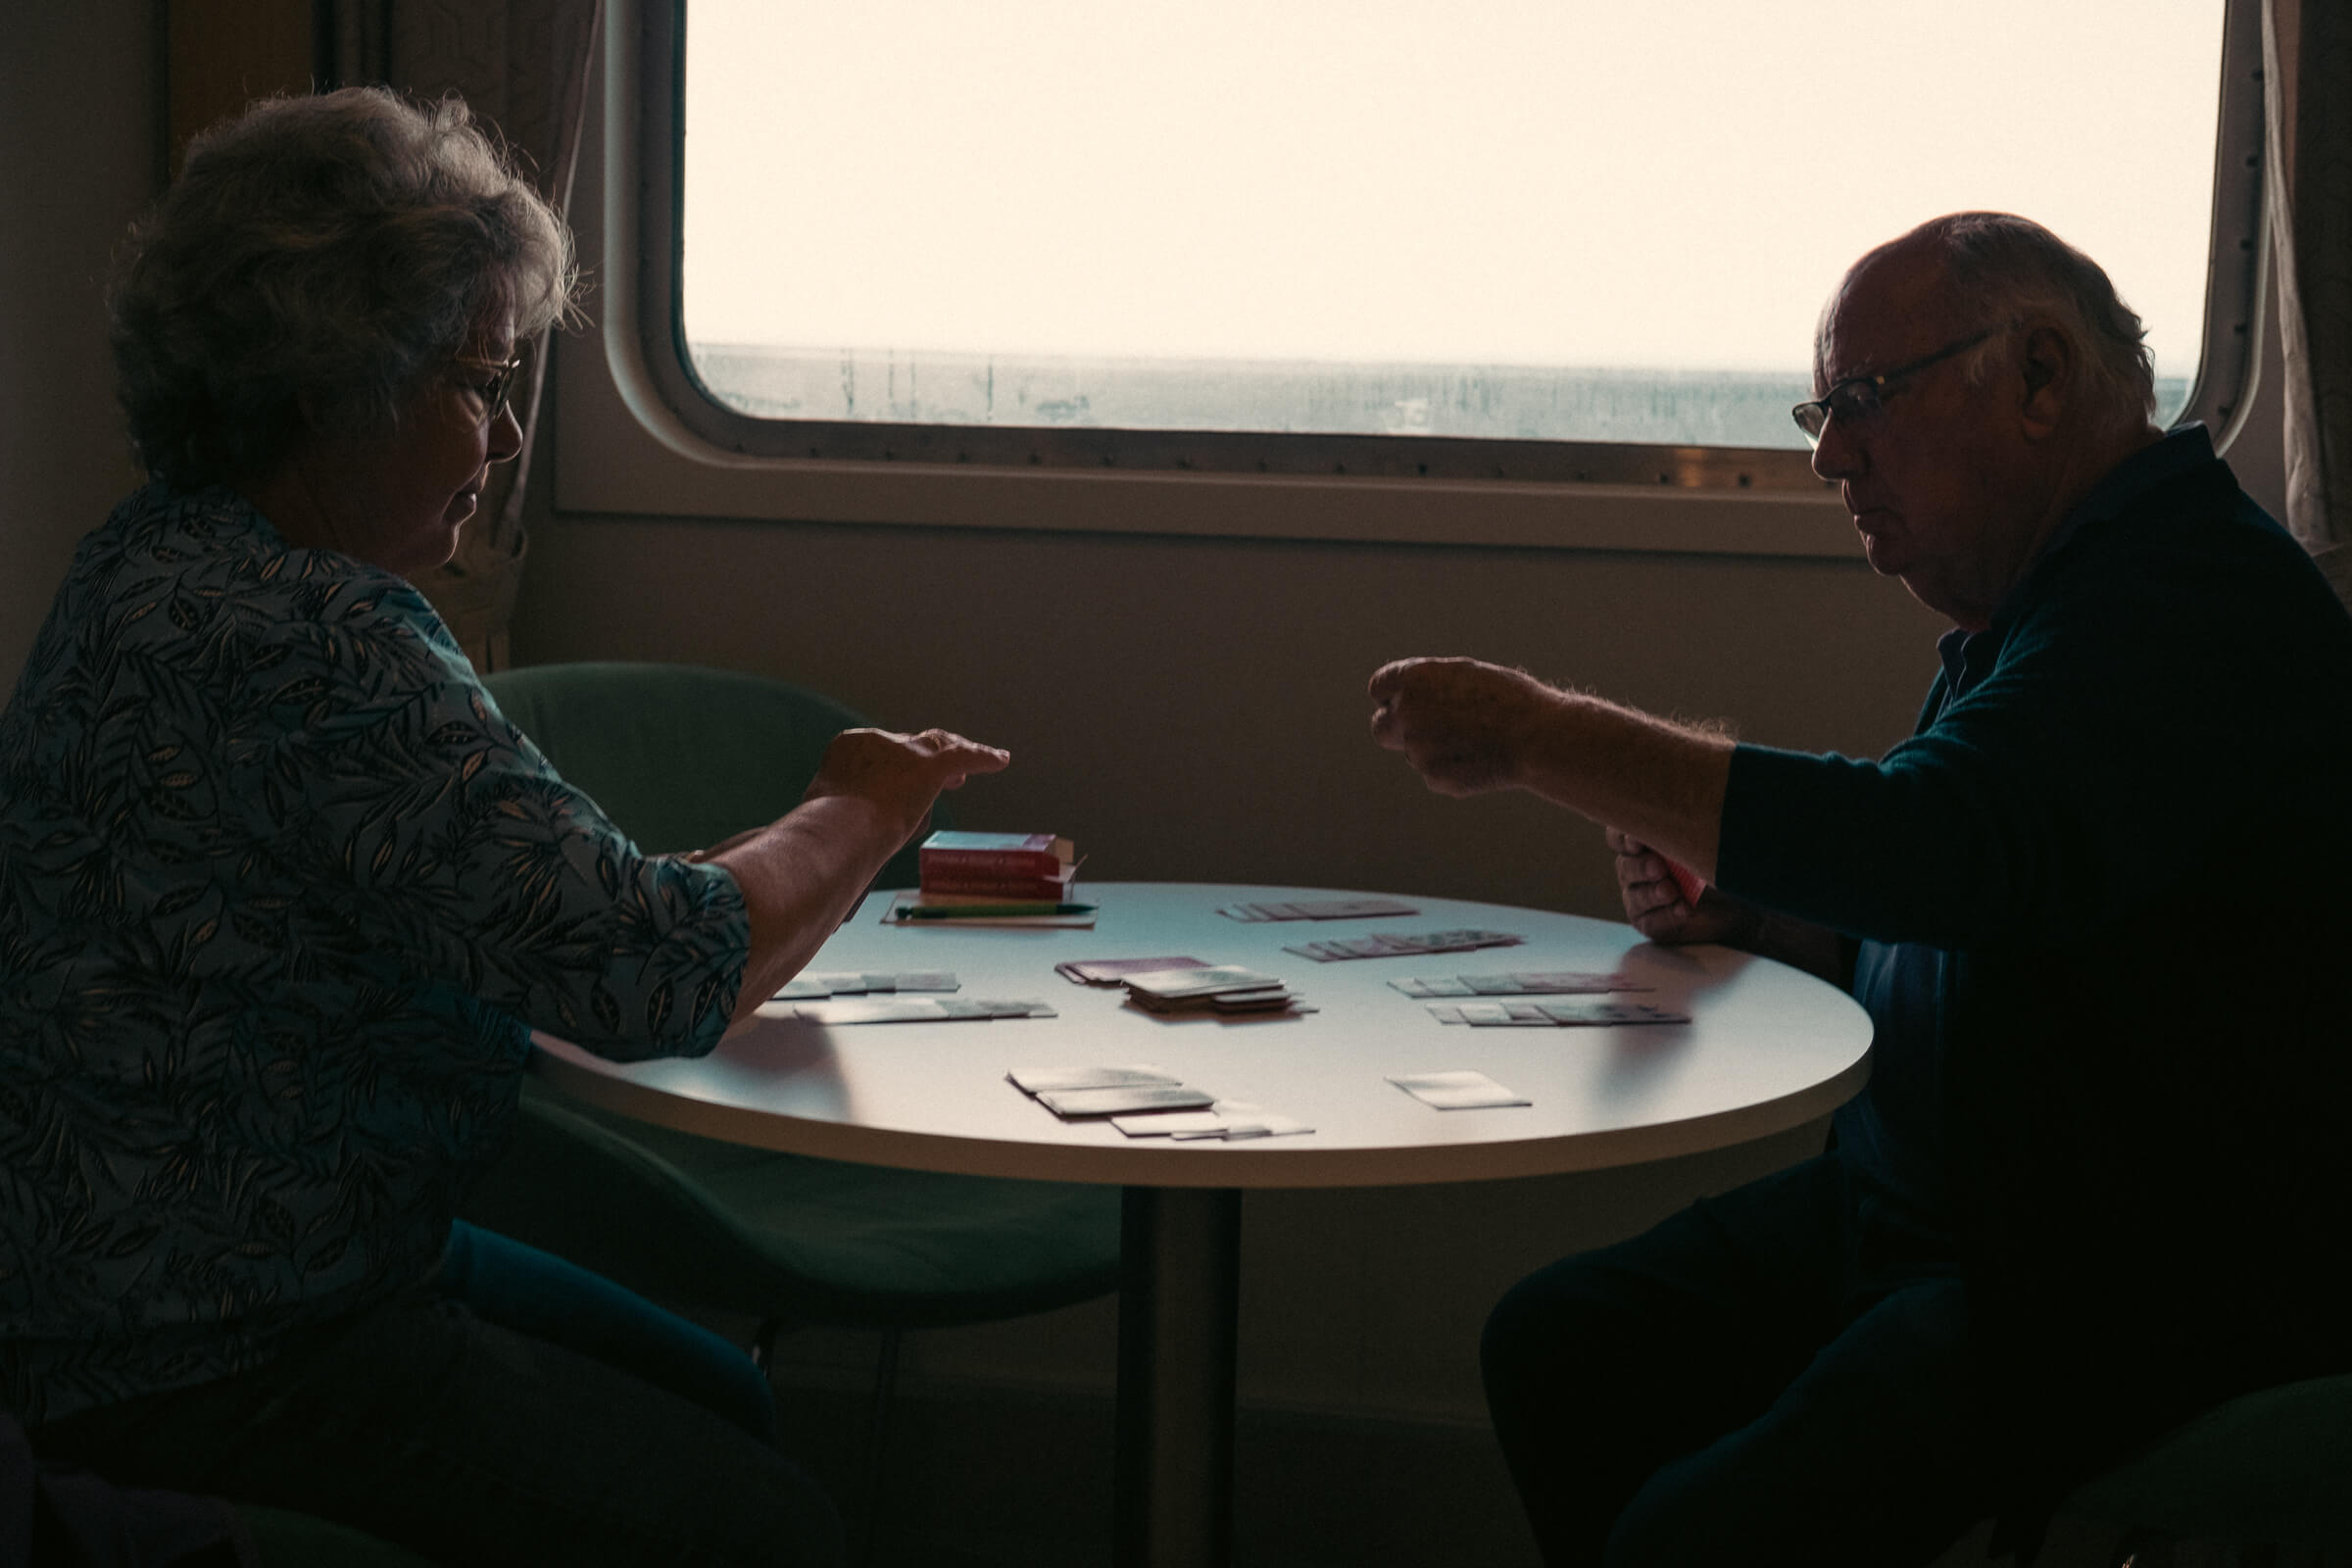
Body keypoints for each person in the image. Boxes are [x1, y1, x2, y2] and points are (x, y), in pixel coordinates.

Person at [0, 87, 1006, 1566]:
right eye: (479, 380)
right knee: (765, 1526)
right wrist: (866, 799)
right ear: (335, 386)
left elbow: (518, 905)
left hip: (159, 1276)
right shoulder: (318, 642)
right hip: (208, 1335)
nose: (511, 429)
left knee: (722, 1395)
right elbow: (658, 971)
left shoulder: (148, 563)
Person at [1368, 212, 2352, 1567]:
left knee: (1685, 1540)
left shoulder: (2191, 603)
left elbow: (1939, 841)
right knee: (1560, 1346)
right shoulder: (2042, 607)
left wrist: (1544, 737)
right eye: (1821, 413)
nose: (1831, 454)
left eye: (1866, 400)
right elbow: (1980, 914)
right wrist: (1766, 920)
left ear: (2041, 376)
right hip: (1943, 1213)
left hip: (2116, 1269)